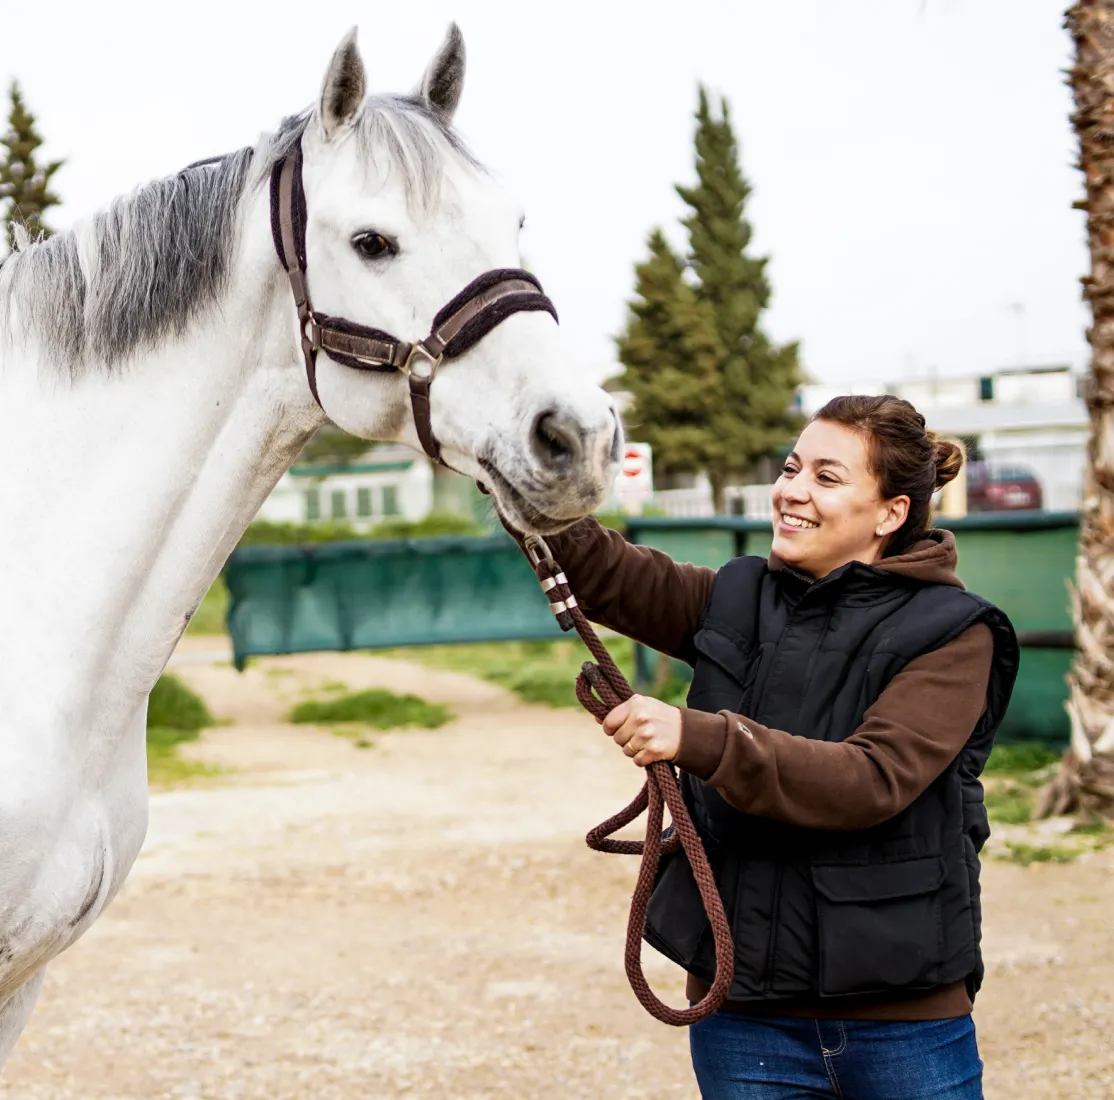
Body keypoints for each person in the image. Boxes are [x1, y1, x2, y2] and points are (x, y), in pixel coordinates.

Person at [525, 395, 1018, 1099]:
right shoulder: (736, 597)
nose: (792, 490)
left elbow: (871, 779)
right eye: (791, 468)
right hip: (744, 1021)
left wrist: (696, 736)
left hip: (903, 1023)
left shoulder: (954, 632)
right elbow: (605, 573)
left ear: (891, 513)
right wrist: (522, 470)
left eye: (826, 476)